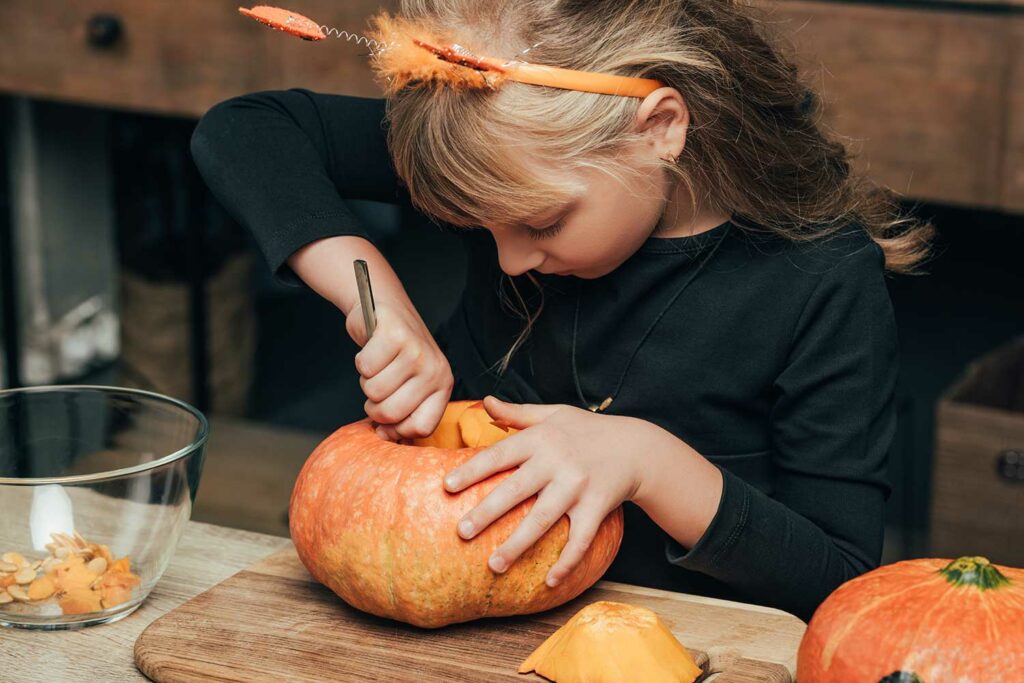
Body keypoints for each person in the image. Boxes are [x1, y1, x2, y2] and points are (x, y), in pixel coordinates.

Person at [190, 0, 932, 621]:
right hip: (476, 629)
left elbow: (837, 582)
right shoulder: (506, 153)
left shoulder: (824, 281)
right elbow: (244, 128)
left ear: (660, 128)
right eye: (482, 229)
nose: (509, 261)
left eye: (540, 225)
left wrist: (645, 462)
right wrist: (376, 301)